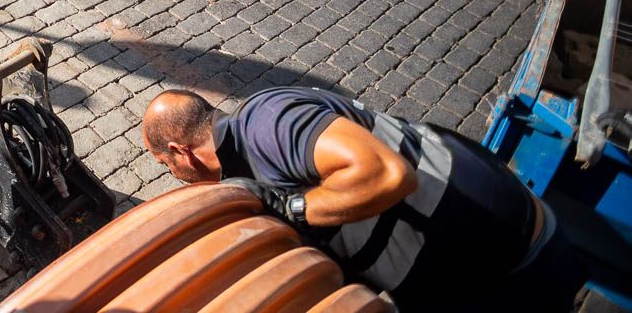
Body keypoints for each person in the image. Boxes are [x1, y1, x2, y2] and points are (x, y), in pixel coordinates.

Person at [142, 87, 579, 311]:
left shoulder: (265, 124)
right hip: (483, 273)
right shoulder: (253, 157)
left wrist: (292, 208)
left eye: (168, 168)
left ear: (182, 153)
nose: (176, 179)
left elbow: (388, 175)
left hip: (521, 266)